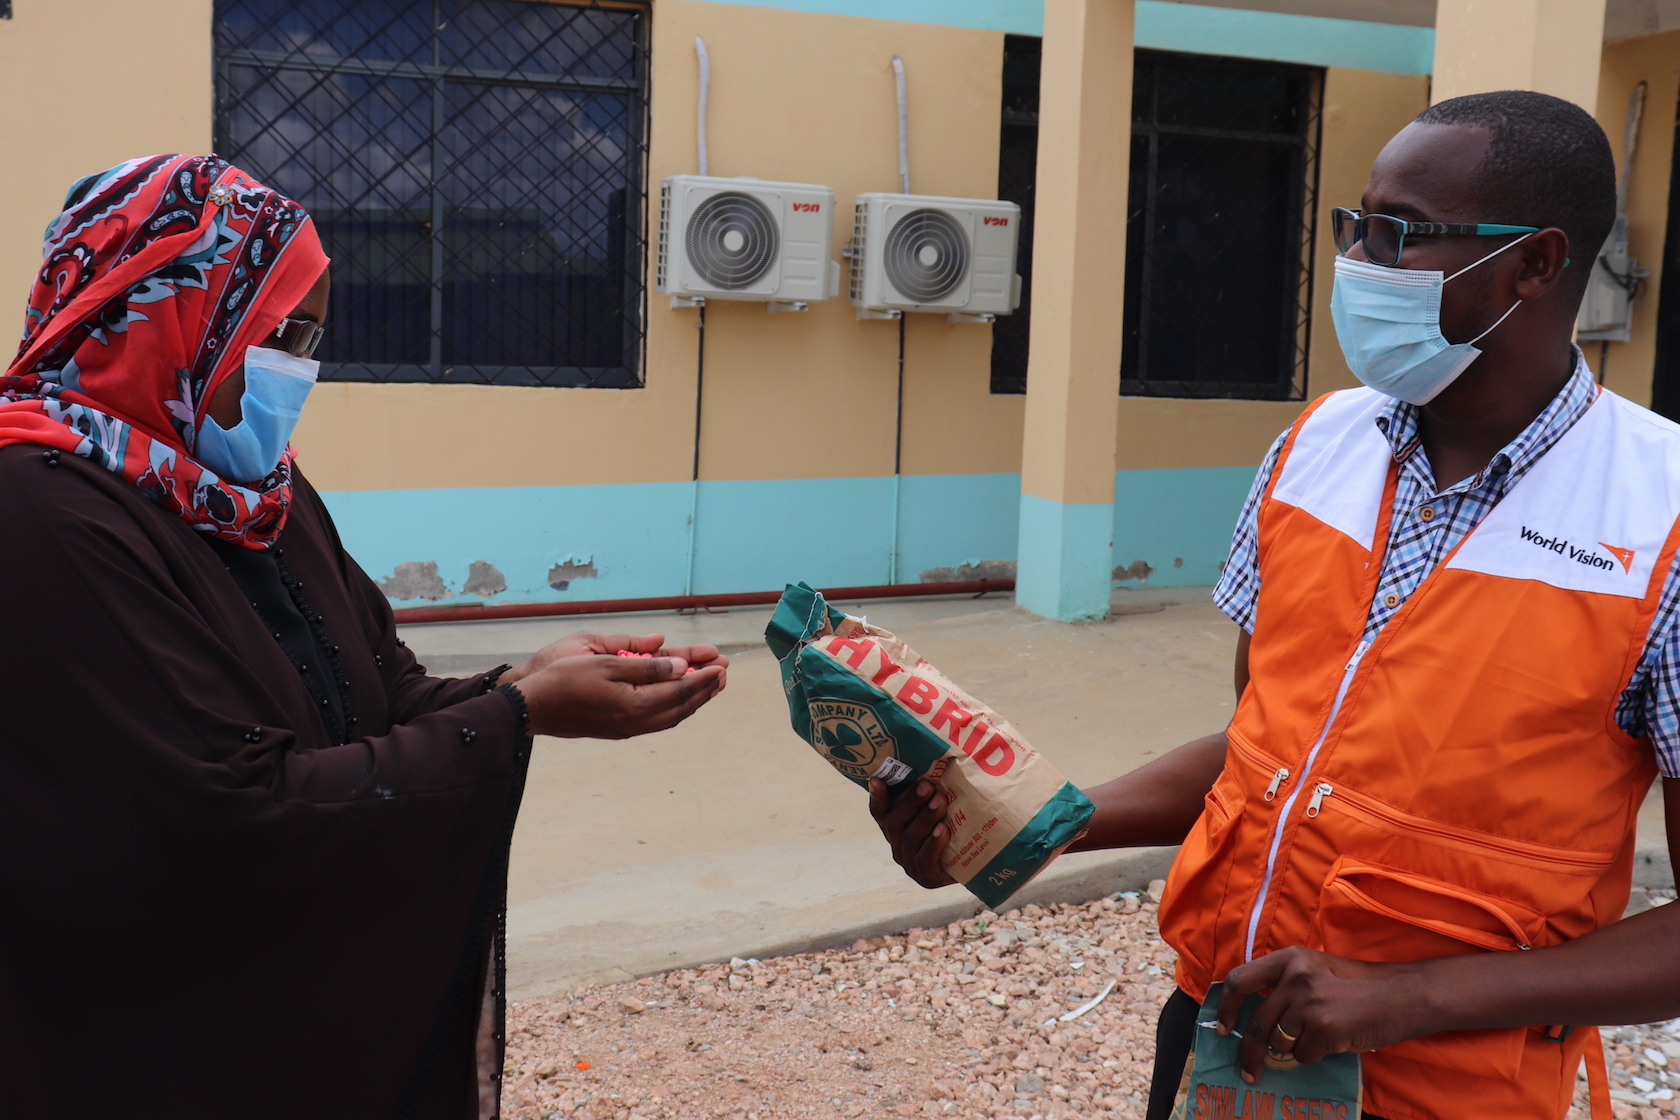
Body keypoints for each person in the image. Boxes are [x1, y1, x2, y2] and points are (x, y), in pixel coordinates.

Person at [872, 90, 1680, 1120]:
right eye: (1356, 226)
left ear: (1536, 263)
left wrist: (1407, 995)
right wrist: (1032, 823)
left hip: (1455, 1093)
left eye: (1401, 235)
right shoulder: (1318, 446)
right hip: (1228, 1045)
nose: (1360, 262)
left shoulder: (1662, 519)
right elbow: (1271, 751)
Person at [0, 154, 727, 1118]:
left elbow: (378, 690)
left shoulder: (258, 497)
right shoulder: (40, 514)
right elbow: (224, 810)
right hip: (149, 1037)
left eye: (313, 336)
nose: (301, 367)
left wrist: (533, 682)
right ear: (168, 314)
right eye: (279, 333)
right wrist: (514, 715)